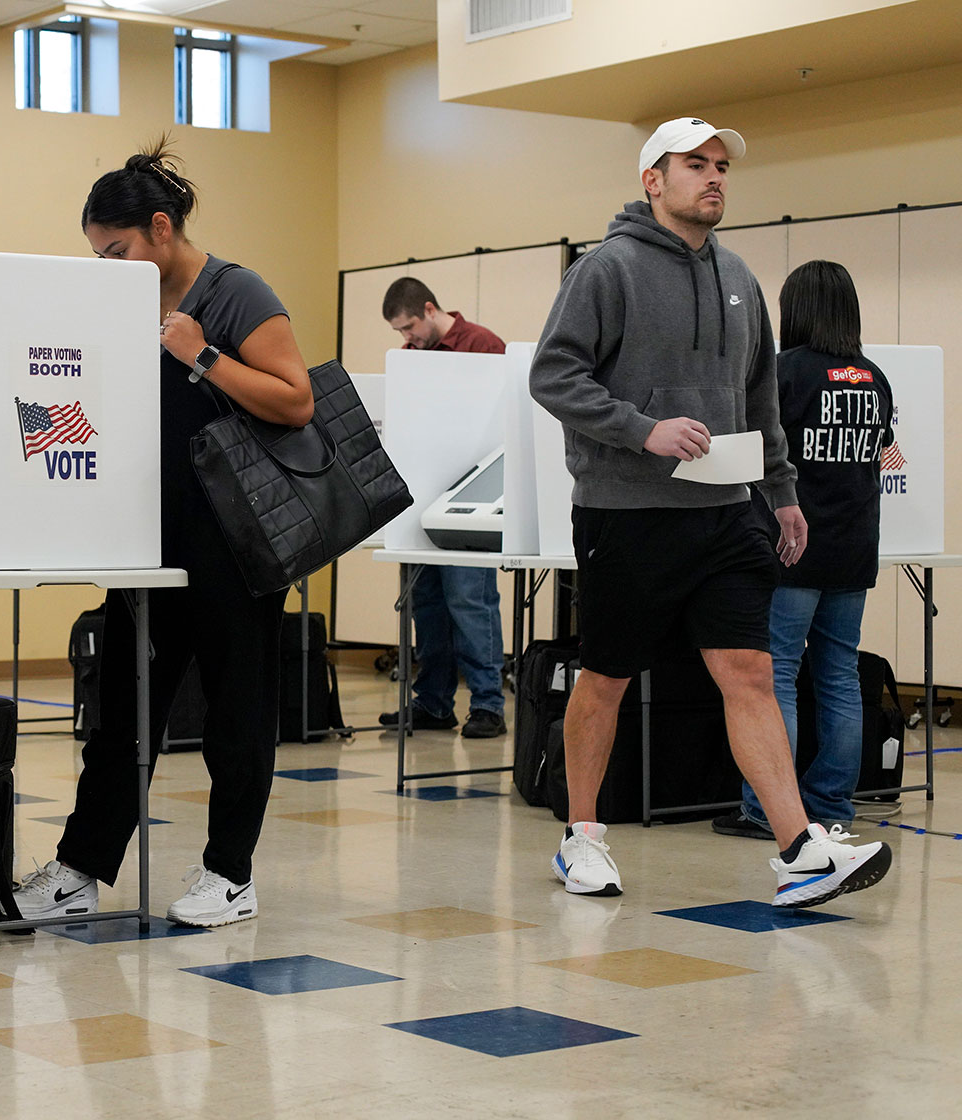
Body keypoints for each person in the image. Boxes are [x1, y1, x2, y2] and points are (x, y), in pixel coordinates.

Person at [529, 117, 891, 908]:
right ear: (654, 180)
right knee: (606, 678)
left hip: (728, 514)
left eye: (722, 165)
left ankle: (799, 847)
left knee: (751, 672)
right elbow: (553, 376)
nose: (715, 177)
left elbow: (761, 399)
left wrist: (784, 493)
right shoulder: (606, 270)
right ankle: (582, 837)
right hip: (627, 513)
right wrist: (643, 429)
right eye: (696, 164)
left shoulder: (740, 280)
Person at [13, 140, 312, 928]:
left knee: (235, 715)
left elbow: (295, 400)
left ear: (161, 227)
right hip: (150, 535)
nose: (109, 266)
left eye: (117, 250)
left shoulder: (237, 291)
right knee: (118, 711)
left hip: (238, 540)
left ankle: (230, 876)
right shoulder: (127, 302)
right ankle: (81, 870)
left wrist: (202, 353)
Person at [713, 261, 893, 839]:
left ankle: (767, 810)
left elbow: (750, 449)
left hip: (792, 547)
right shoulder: (874, 377)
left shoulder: (783, 372)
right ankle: (833, 804)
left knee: (777, 676)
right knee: (839, 673)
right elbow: (882, 448)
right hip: (856, 546)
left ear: (794, 310)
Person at [377, 278, 507, 739]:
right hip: (419, 497)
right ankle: (432, 701)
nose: (406, 338)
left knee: (469, 600)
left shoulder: (483, 345)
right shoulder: (411, 359)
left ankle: (488, 704)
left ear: (431, 310)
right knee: (425, 602)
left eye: (409, 327)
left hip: (467, 500)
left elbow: (500, 426)